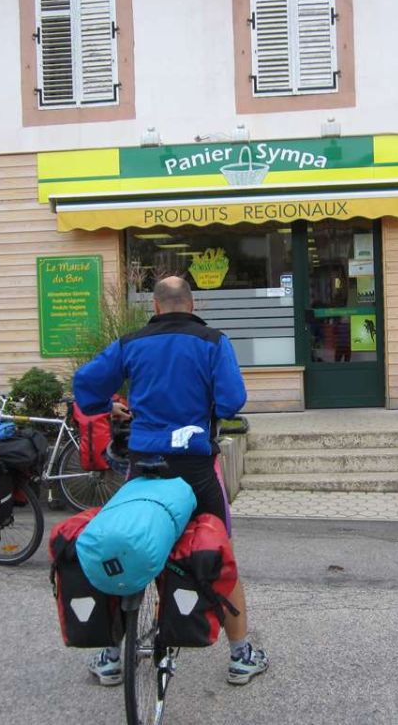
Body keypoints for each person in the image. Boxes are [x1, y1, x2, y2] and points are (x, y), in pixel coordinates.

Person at [73, 276, 269, 686]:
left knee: (128, 546)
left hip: (145, 465)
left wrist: (109, 405)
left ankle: (112, 658)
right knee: (220, 553)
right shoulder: (213, 342)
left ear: (156, 306)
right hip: (195, 469)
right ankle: (241, 656)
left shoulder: (131, 343)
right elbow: (232, 401)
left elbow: (86, 386)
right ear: (192, 304)